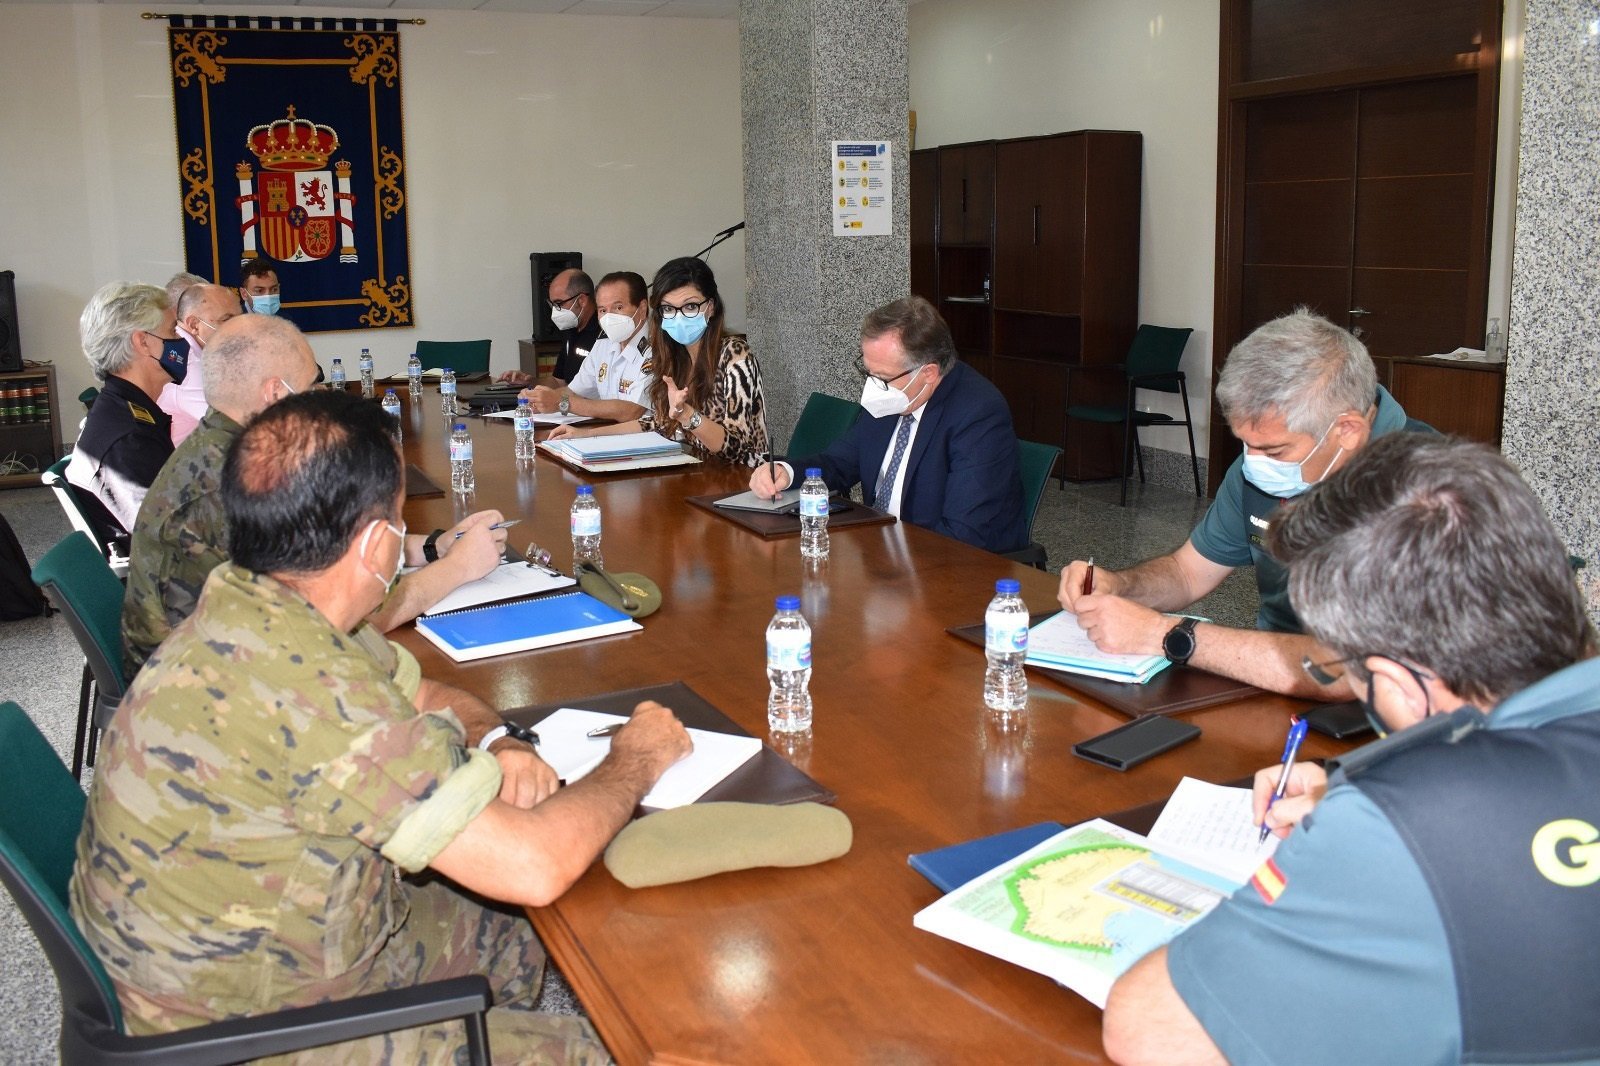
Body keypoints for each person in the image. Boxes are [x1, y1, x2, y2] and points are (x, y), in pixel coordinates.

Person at [74, 387, 691, 1063]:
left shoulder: (260, 597)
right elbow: (532, 866)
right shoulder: (309, 686)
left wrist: (498, 740)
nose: (403, 538)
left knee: (532, 935)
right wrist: (635, 758)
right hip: (246, 1029)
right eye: (399, 521)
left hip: (259, 943)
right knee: (621, 1046)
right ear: (374, 546)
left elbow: (421, 689)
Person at [1103, 434, 1598, 1064]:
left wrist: (1372, 816)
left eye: (1352, 674)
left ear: (1397, 687)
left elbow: (1149, 1028)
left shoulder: (1406, 827)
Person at [1055, 309, 1433, 697]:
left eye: (1274, 449)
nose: (1252, 461)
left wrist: (1165, 634)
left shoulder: (1430, 494)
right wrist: (1120, 586)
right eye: (1245, 443)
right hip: (1270, 679)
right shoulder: (1262, 461)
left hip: (1387, 718)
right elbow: (1188, 572)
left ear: (1347, 430)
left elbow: (1348, 670)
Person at [121, 315, 509, 675]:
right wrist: (458, 568)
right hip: (210, 694)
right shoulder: (226, 490)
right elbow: (347, 618)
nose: (320, 395)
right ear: (276, 392)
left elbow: (328, 547)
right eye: (311, 384)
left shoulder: (237, 449)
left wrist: (433, 547)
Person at [748, 295, 1027, 554]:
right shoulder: (895, 397)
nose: (873, 387)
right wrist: (786, 472)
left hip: (947, 566)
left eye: (881, 377)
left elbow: (963, 535)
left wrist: (884, 556)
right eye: (868, 372)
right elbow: (840, 463)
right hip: (883, 552)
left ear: (928, 372)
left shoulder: (978, 415)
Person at [549, 257, 769, 467]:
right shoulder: (673, 356)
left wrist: (687, 415)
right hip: (697, 473)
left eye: (690, 306)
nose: (679, 316)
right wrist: (585, 436)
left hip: (743, 480)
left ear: (710, 307)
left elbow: (737, 448)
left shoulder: (734, 354)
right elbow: (657, 424)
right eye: (669, 309)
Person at [65, 281, 184, 548]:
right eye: (173, 332)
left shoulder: (124, 409)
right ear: (143, 342)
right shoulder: (129, 438)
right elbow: (171, 537)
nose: (181, 342)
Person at [518, 270, 653, 423]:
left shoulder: (656, 348)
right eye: (603, 310)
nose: (609, 317)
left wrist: (561, 403)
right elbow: (574, 391)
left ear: (642, 308)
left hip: (644, 440)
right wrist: (540, 399)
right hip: (607, 432)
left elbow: (631, 411)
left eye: (618, 307)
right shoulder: (604, 342)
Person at [158, 281, 240, 446]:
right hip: (180, 466)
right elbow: (234, 425)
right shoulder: (187, 365)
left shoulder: (183, 348)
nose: (238, 328)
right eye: (227, 320)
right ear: (194, 325)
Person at [499, 268, 601, 386]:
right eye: (552, 304)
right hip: (568, 400)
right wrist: (529, 381)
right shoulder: (570, 330)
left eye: (559, 304)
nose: (555, 311)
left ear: (582, 300)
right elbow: (558, 381)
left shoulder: (603, 334)